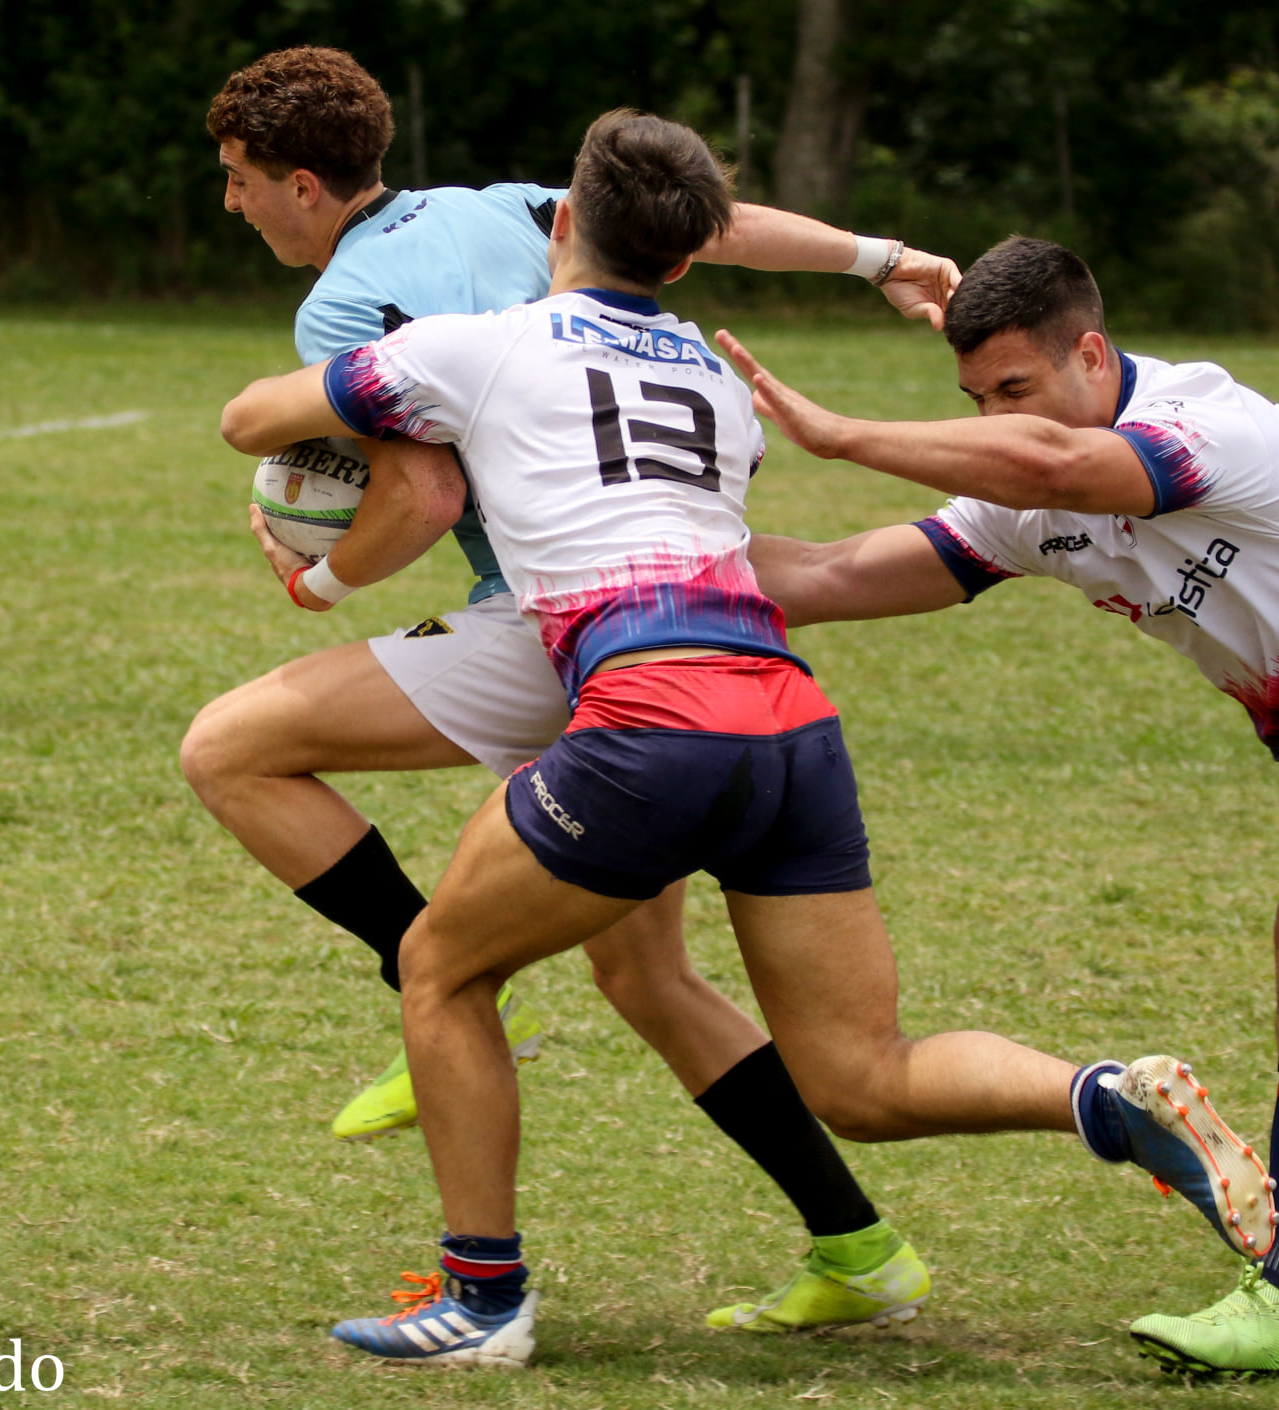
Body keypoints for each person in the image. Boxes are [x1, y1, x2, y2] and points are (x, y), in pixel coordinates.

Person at [217, 111, 1272, 1370]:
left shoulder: (471, 349)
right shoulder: (718, 387)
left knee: (441, 970)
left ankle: (483, 1303)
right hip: (787, 723)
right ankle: (1097, 1095)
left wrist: (310, 505)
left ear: (563, 223)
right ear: (680, 259)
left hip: (642, 722)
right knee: (862, 1076)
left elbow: (251, 419)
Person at [725, 235, 1279, 1383]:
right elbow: (829, 575)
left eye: (1014, 389)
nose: (996, 420)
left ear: (1090, 354)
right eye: (975, 400)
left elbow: (1054, 464)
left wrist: (841, 435)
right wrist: (619, 542)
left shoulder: (1207, 421)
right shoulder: (1030, 503)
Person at [184, 45, 973, 1332]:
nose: (231, 204)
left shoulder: (341, 310)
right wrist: (879, 259)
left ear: (309, 186)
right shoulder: (500, 207)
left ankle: (422, 1001)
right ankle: (858, 1247)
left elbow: (423, 495)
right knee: (648, 979)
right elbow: (711, 226)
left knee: (234, 749)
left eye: (239, 181)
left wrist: (315, 581)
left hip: (557, 628)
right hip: (673, 613)